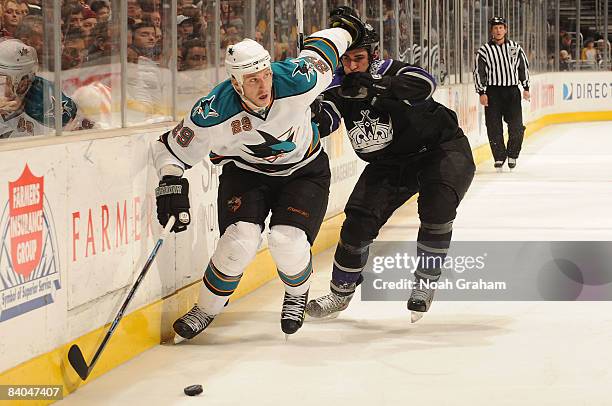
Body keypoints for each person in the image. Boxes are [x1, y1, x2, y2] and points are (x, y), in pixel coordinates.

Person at [153, 11, 367, 339]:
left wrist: (346, 30)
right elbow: (171, 149)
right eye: (252, 80)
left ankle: (296, 294)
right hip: (246, 173)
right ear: (235, 82)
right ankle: (206, 309)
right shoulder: (213, 109)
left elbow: (323, 48)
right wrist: (169, 181)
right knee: (238, 241)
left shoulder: (298, 79)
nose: (263, 84)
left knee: (286, 240)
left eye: (265, 75)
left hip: (304, 170)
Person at [306, 7, 475, 323]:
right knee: (357, 224)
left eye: (359, 58)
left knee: (437, 210)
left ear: (372, 55)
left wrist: (375, 86)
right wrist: (309, 112)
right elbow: (326, 121)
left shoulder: (391, 69)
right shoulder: (337, 85)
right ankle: (340, 294)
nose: (352, 65)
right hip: (390, 163)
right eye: (346, 59)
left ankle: (425, 283)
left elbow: (425, 84)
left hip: (440, 150)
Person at [0, 39, 94, 138]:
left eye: (3, 80)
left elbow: (89, 132)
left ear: (24, 83)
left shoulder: (46, 96)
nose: (3, 88)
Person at [473, 16, 530, 171]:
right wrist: (481, 92)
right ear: (491, 30)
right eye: (495, 28)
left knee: (517, 126)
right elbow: (479, 72)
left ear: (505, 29)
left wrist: (526, 87)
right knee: (493, 126)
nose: (498, 30)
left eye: (501, 27)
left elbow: (523, 67)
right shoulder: (484, 51)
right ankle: (499, 157)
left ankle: (512, 154)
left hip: (512, 91)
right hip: (493, 92)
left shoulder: (515, 47)